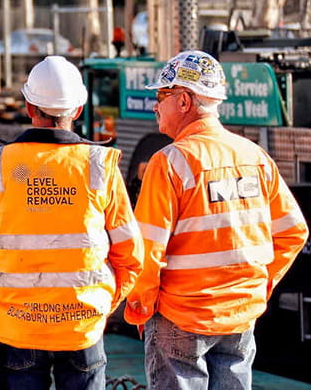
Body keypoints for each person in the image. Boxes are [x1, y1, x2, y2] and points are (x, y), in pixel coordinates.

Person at [124, 50, 309, 389]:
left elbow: (146, 249)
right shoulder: (255, 157)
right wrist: (259, 284)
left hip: (181, 314)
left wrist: (140, 306)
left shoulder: (169, 163)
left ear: (183, 101)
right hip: (240, 313)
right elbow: (293, 231)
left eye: (161, 96)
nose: (155, 106)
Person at [0, 56, 144, 389]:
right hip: (82, 327)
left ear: (29, 106)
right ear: (76, 110)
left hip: (18, 327)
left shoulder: (0, 167)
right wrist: (101, 303)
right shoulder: (99, 167)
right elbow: (130, 255)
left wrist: (0, 302)